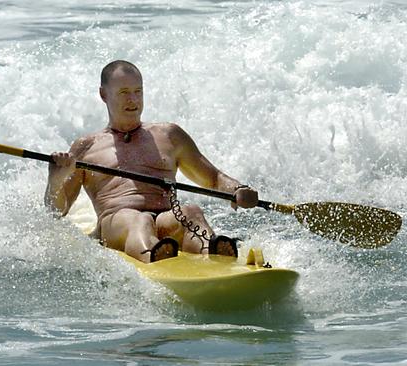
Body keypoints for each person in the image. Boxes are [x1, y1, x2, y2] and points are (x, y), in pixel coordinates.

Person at [45, 60, 258, 263]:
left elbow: (213, 178)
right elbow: (56, 211)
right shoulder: (86, 147)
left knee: (191, 211)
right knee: (138, 219)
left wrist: (237, 189)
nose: (133, 100)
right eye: (124, 93)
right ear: (103, 95)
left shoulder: (169, 135)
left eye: (138, 92)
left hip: (165, 220)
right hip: (116, 224)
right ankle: (153, 258)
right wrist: (55, 180)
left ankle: (212, 254)